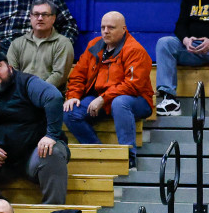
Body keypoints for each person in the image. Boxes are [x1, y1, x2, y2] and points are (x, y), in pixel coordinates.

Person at [0, 41, 70, 204]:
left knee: (53, 151)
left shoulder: (27, 83)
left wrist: (51, 135)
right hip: (0, 162)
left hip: (33, 154)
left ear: (9, 68)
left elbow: (53, 97)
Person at [65, 11, 154, 170]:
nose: (105, 31)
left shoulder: (135, 50)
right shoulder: (94, 45)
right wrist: (73, 96)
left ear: (124, 29)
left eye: (111, 28)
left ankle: (129, 158)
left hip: (136, 100)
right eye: (103, 27)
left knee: (120, 102)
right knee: (69, 111)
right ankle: (99, 153)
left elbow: (133, 86)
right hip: (103, 100)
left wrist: (103, 98)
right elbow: (78, 74)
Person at [6, 1, 72, 90]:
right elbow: (12, 73)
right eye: (36, 14)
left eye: (45, 14)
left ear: (53, 18)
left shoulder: (63, 43)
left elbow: (59, 75)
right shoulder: (17, 43)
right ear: (30, 17)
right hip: (21, 94)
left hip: (49, 95)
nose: (40, 18)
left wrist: (36, 91)